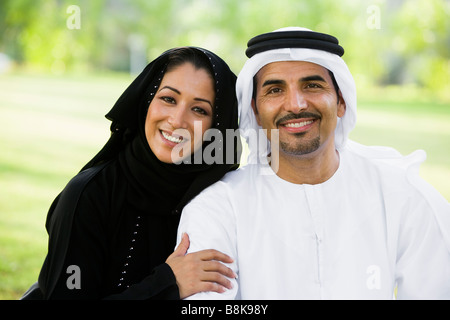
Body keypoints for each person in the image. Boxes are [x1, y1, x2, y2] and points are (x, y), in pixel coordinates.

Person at [176, 27, 450, 299]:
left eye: (312, 85)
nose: (295, 104)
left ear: (341, 101)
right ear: (256, 112)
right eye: (275, 90)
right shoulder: (219, 207)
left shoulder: (401, 195)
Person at [21, 47, 240, 300]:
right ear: (146, 100)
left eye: (199, 110)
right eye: (168, 99)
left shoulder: (221, 200)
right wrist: (167, 283)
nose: (178, 120)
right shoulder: (89, 195)